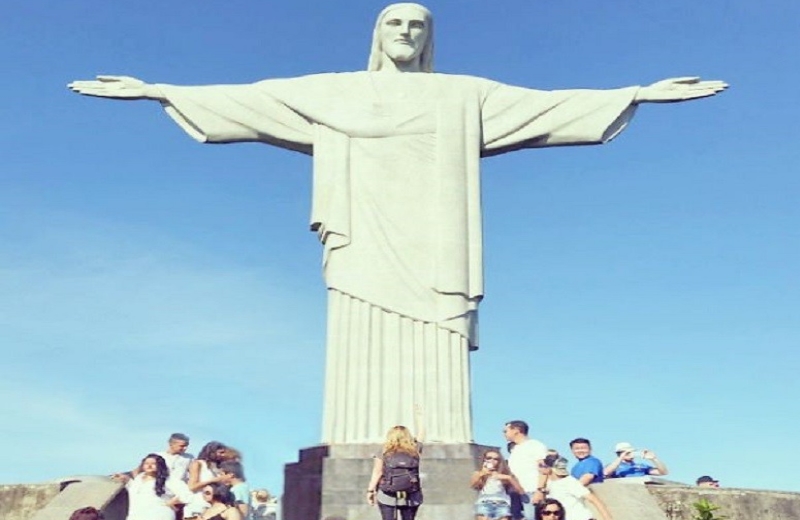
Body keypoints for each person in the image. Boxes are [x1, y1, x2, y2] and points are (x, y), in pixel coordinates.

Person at [68, 3, 727, 447]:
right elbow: (253, 99)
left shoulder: (461, 94)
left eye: (418, 24)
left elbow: (546, 109)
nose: (407, 32)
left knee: (437, 337)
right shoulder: (334, 91)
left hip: (437, 243)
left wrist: (634, 93)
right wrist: (159, 90)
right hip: (362, 236)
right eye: (395, 22)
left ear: (428, 37)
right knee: (357, 334)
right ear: (378, 35)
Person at [366, 412, 425, 520]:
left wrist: (370, 491)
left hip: (387, 493)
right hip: (411, 493)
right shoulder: (415, 449)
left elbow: (377, 472)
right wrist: (420, 418)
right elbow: (421, 435)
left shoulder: (383, 451)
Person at [125, 454, 194, 520]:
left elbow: (187, 495)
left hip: (159, 515)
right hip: (137, 515)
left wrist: (171, 502)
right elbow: (134, 491)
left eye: (153, 463)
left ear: (160, 465)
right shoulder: (139, 478)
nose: (149, 466)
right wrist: (127, 480)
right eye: (146, 463)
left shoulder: (168, 479)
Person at [503, 420, 548, 520]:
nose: (504, 434)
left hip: (531, 490)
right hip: (516, 492)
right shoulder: (516, 449)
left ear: (516, 430)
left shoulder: (535, 445)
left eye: (506, 431)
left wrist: (540, 490)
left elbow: (544, 468)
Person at [543, 457, 612, 520]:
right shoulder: (549, 483)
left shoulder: (569, 482)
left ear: (549, 468)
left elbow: (594, 500)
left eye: (542, 466)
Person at [471, 449, 525, 520]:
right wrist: (482, 474)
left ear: (499, 461)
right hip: (484, 503)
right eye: (489, 458)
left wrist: (508, 478)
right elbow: (473, 485)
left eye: (496, 459)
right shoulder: (478, 473)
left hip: (502, 504)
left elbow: (521, 491)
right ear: (484, 459)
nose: (492, 461)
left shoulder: (505, 474)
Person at [185, 442, 228, 518]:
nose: (223, 455)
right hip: (198, 504)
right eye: (221, 452)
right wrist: (213, 480)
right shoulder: (198, 464)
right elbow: (192, 486)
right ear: (212, 452)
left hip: (216, 506)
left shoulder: (220, 468)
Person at [603, 442, 668, 478]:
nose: (630, 454)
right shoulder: (614, 466)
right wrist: (621, 457)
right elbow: (605, 473)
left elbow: (663, 472)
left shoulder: (641, 466)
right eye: (627, 452)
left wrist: (654, 459)